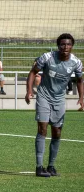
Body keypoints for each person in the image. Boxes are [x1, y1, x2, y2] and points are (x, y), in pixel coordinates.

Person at [25, 33, 83, 178]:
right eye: (62, 44)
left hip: (59, 99)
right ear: (58, 46)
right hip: (44, 96)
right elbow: (33, 72)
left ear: (72, 46)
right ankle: (39, 167)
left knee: (57, 132)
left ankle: (51, 166)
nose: (65, 47)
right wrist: (29, 91)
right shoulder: (47, 57)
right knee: (42, 128)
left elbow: (80, 80)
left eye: (68, 44)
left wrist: (82, 97)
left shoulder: (76, 62)